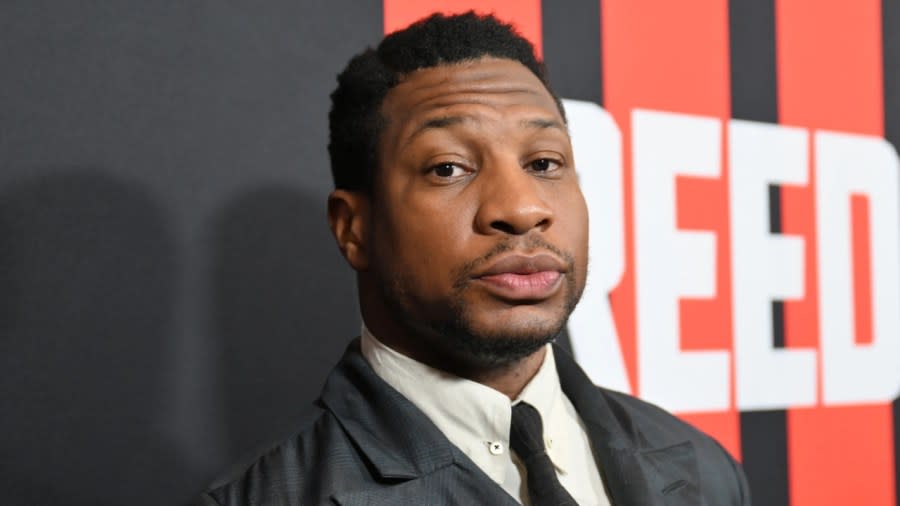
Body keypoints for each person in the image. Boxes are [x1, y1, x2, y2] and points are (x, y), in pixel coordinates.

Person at [196, 11, 751, 506]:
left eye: (544, 162)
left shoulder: (705, 469)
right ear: (354, 229)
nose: (522, 208)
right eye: (448, 167)